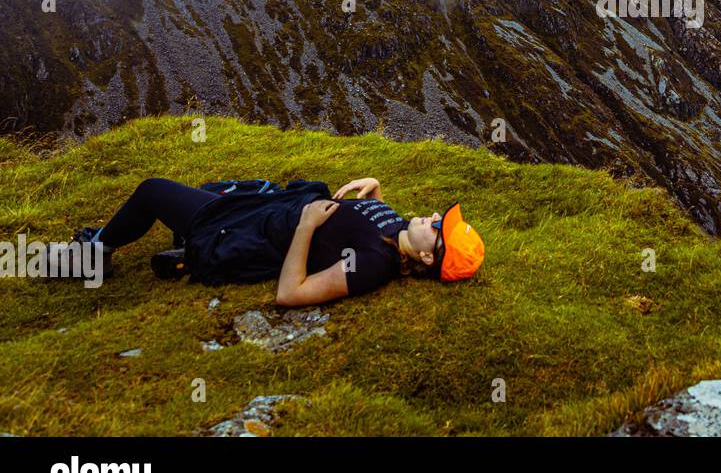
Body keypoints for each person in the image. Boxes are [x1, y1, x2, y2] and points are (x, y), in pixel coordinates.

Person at [60, 176, 484, 304]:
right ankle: (183, 252)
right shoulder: (395, 232)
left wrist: (305, 226)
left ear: (429, 258)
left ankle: (95, 254)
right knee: (210, 188)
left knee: (153, 191)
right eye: (439, 216)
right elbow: (365, 225)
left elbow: (290, 292)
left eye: (436, 227)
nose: (432, 216)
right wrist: (374, 189)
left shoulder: (372, 264)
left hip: (254, 231)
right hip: (260, 210)